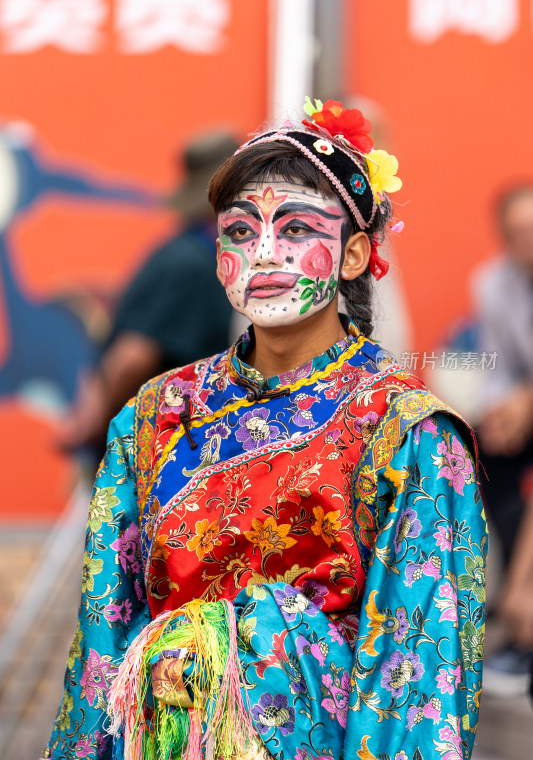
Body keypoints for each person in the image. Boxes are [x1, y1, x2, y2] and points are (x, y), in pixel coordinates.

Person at [42, 99, 487, 760]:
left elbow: (418, 680)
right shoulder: (155, 414)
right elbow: (103, 640)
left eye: (298, 228)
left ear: (354, 253)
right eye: (240, 231)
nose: (264, 252)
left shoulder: (406, 433)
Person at [56, 131, 237, 456]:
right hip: (156, 447)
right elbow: (133, 357)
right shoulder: (193, 266)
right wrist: (103, 432)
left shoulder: (176, 250)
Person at [472, 183, 533, 694]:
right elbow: (499, 364)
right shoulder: (494, 284)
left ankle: (523, 595)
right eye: (517, 233)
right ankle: (516, 618)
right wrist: (498, 411)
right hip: (524, 405)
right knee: (485, 450)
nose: (527, 241)